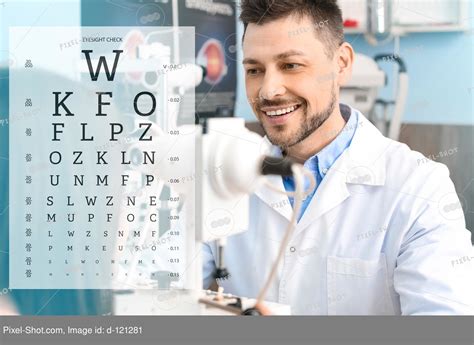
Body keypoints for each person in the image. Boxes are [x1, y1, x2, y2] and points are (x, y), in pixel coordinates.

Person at [202, 0, 474, 315]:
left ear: (341, 63)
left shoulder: (419, 188)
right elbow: (163, 292)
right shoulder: (223, 174)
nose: (268, 89)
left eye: (291, 65)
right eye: (254, 70)